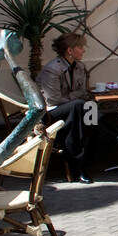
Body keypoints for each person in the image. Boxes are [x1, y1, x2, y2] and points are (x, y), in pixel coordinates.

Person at [37, 31, 98, 183]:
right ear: (70, 50)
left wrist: (76, 97)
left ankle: (80, 167)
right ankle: (116, 136)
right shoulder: (52, 69)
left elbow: (83, 91)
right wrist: (75, 97)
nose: (83, 50)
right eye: (80, 47)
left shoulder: (79, 67)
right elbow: (54, 99)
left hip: (72, 111)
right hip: (52, 112)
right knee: (79, 106)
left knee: (89, 112)